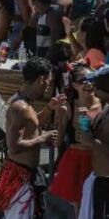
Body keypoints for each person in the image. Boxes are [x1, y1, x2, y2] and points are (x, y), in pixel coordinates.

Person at [0, 57, 58, 217]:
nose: (48, 86)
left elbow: (32, 125)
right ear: (41, 79)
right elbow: (14, 146)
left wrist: (49, 108)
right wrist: (42, 138)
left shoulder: (25, 103)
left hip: (27, 174)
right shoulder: (20, 107)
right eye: (48, 81)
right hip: (21, 177)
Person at [49, 64, 101, 216]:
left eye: (91, 78)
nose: (88, 83)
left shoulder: (104, 104)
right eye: (83, 80)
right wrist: (59, 115)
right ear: (74, 85)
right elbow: (57, 142)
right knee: (79, 205)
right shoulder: (69, 106)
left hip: (97, 161)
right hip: (76, 161)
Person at [79, 65, 109, 219]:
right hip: (100, 180)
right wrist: (88, 124)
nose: (95, 90)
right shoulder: (105, 108)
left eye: (99, 86)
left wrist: (92, 141)